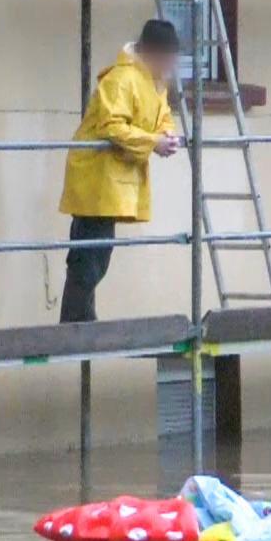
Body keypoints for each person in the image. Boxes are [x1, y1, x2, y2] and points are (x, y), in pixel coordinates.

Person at [58, 19, 185, 324]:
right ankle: (76, 322)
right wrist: (154, 142)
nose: (170, 65)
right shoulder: (121, 79)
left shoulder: (153, 81)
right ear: (152, 52)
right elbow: (111, 126)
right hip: (97, 177)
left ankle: (80, 319)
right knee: (89, 256)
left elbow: (162, 115)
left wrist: (166, 134)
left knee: (97, 253)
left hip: (112, 181)